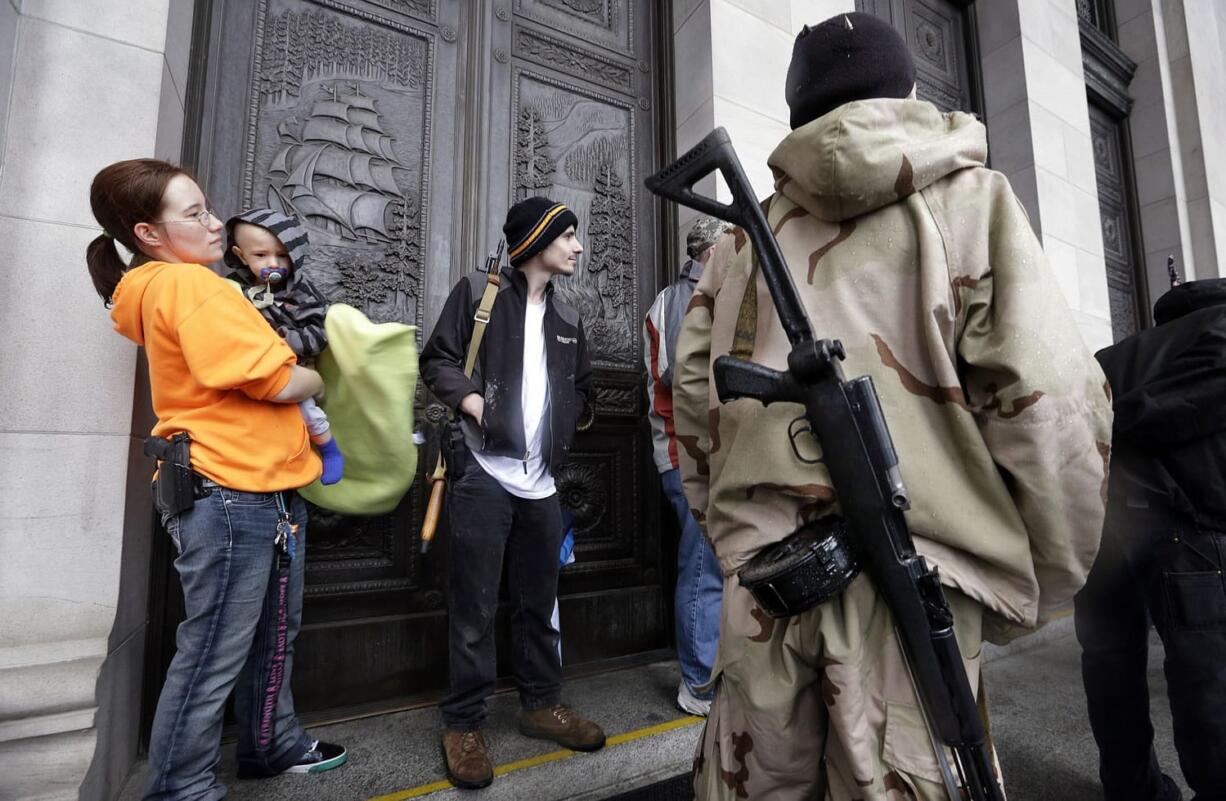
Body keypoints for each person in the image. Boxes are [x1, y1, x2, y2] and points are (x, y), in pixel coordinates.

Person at [671, 13, 1113, 800]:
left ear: (798, 110)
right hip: (911, 607)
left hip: (763, 601)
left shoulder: (738, 247)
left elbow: (694, 412)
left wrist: (741, 542)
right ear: (909, 90)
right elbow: (1056, 414)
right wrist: (1029, 582)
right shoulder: (970, 204)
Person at [85, 159, 347, 800]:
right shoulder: (194, 287)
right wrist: (317, 379)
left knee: (266, 633)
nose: (212, 223)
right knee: (215, 650)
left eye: (206, 208)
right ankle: (180, 787)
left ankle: (273, 744)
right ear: (149, 234)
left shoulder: (163, 287)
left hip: (249, 486)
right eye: (195, 213)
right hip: (232, 489)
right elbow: (280, 379)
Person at [420, 196, 605, 790]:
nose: (577, 248)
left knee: (539, 599)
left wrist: (564, 429)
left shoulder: (570, 318)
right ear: (538, 240)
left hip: (542, 484)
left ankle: (540, 705)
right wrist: (474, 403)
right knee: (473, 605)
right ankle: (464, 723)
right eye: (568, 236)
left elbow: (582, 389)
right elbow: (439, 359)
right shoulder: (481, 293)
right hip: (483, 473)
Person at [1076, 275, 1226, 801]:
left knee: (1110, 663)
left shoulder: (1113, 355)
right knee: (1208, 676)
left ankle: (1132, 789)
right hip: (1187, 528)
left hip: (1101, 530)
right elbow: (1184, 410)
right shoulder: (1221, 329)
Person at [643, 216, 730, 717]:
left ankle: (713, 672)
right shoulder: (682, 300)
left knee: (715, 564)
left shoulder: (708, 294)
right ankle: (696, 684)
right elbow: (688, 380)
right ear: (708, 253)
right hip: (689, 457)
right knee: (703, 568)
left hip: (708, 454)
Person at [224, 208, 344, 485]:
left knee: (306, 412)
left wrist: (284, 338)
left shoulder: (302, 293)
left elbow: (319, 334)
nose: (273, 263)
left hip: (293, 367)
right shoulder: (234, 290)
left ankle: (329, 449)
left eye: (282, 255)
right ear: (241, 255)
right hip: (250, 370)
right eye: (260, 255)